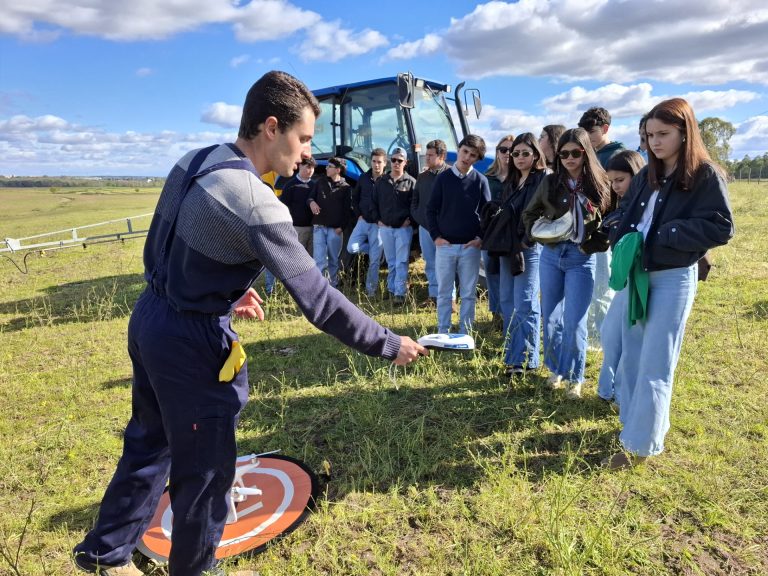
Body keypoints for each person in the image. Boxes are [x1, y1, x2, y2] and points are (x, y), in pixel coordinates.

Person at [72, 70, 427, 576]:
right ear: (270, 127)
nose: (308, 152)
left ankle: (105, 554)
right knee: (206, 472)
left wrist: (220, 287)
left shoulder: (194, 159)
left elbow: (169, 242)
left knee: (149, 442)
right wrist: (388, 343)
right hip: (191, 342)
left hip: (150, 317)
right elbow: (320, 302)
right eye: (304, 138)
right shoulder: (258, 202)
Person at [604, 98, 734, 469]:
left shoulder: (705, 175)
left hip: (673, 276)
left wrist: (666, 234)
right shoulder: (648, 173)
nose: (654, 142)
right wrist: (619, 235)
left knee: (656, 361)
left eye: (663, 134)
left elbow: (721, 227)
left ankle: (640, 447)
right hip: (636, 273)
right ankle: (634, 427)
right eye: (649, 135)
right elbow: (627, 213)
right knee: (632, 355)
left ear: (684, 132)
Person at [522, 128, 611, 399]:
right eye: (563, 154)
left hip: (580, 258)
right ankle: (556, 369)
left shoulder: (599, 183)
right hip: (551, 255)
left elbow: (611, 221)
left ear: (586, 153)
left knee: (575, 321)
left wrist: (589, 246)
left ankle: (575, 377)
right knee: (550, 317)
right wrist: (539, 234)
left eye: (575, 153)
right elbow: (530, 213)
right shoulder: (551, 182)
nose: (569, 158)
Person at [596, 150, 646, 402]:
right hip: (624, 281)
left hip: (639, 281)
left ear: (636, 176)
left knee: (628, 338)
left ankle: (620, 393)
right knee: (610, 333)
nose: (615, 186)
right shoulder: (619, 206)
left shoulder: (644, 207)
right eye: (611, 181)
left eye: (620, 180)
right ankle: (608, 389)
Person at [427, 134, 490, 334]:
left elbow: (487, 213)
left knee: (469, 293)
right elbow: (431, 210)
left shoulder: (480, 181)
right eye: (465, 151)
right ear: (459, 149)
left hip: (470, 247)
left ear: (477, 159)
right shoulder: (443, 179)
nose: (467, 157)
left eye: (473, 155)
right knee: (444, 293)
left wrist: (480, 238)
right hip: (445, 246)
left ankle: (466, 332)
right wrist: (436, 237)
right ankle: (443, 331)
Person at [497, 133, 548, 376]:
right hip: (508, 248)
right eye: (515, 153)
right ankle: (513, 355)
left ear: (536, 155)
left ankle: (527, 360)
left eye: (525, 153)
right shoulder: (512, 181)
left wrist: (529, 240)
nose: (519, 157)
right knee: (507, 302)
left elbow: (545, 213)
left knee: (525, 302)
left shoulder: (543, 179)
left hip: (529, 248)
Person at [578, 107, 626, 351]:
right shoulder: (588, 154)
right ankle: (589, 333)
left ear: (606, 128)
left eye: (592, 133)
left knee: (603, 286)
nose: (588, 138)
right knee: (589, 285)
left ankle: (603, 337)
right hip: (587, 228)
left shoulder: (617, 155)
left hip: (606, 230)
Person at [372, 147, 417, 304]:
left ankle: (400, 292)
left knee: (402, 261)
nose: (396, 163)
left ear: (405, 162)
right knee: (391, 261)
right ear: (390, 161)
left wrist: (409, 220)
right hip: (385, 228)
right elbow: (373, 203)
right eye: (393, 160)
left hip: (403, 229)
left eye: (400, 160)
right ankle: (391, 289)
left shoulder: (411, 182)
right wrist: (378, 220)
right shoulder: (381, 182)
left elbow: (415, 205)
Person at [411, 139, 449, 304]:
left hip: (445, 229)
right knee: (430, 263)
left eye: (431, 155)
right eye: (426, 155)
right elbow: (415, 201)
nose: (427, 158)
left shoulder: (451, 176)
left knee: (446, 264)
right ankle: (434, 296)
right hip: (425, 228)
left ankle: (449, 299)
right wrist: (419, 217)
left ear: (442, 156)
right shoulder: (422, 177)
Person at [483, 135, 515, 328]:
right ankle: (496, 313)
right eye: (503, 150)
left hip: (512, 235)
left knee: (511, 274)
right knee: (492, 272)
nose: (507, 154)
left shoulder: (520, 179)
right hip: (491, 235)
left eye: (512, 150)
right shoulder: (487, 178)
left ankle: (510, 313)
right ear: (497, 152)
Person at [347, 148, 387, 296]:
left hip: (378, 225)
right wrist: (358, 215)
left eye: (379, 162)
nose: (376, 165)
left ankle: (371, 291)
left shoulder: (387, 181)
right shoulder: (363, 178)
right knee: (351, 247)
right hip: (363, 221)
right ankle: (377, 252)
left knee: (374, 262)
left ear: (385, 163)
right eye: (374, 161)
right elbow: (355, 198)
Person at [308, 157, 351, 288]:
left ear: (338, 170)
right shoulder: (320, 182)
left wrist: (341, 228)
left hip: (335, 230)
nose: (326, 168)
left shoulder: (346, 188)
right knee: (319, 260)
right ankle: (319, 288)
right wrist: (311, 202)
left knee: (333, 260)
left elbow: (347, 210)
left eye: (329, 166)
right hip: (319, 227)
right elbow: (310, 197)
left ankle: (333, 287)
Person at [279, 156, 316, 256]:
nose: (311, 171)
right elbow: (284, 208)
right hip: (297, 229)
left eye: (313, 168)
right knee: (298, 257)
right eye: (308, 167)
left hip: (313, 229)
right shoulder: (290, 185)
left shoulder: (315, 186)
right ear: (300, 166)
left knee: (312, 258)